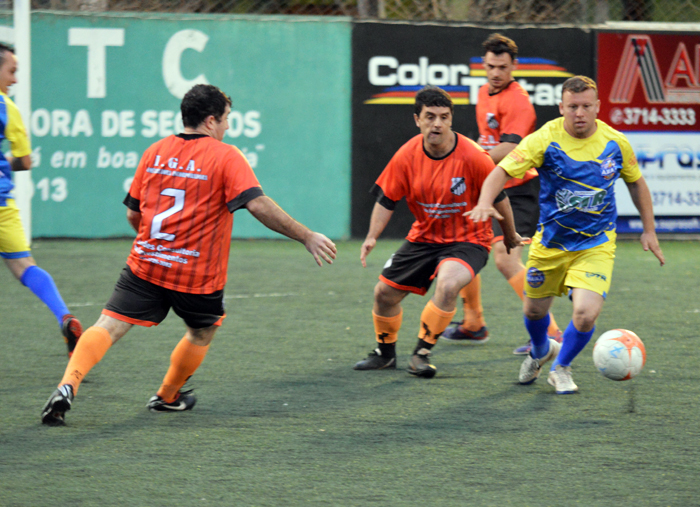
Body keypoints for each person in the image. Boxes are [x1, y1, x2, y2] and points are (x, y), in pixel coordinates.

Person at [41, 84, 337, 425]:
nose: (227, 127)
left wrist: (156, 245)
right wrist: (306, 236)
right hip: (197, 276)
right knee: (202, 330)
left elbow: (133, 214)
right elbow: (257, 204)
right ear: (211, 120)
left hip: (146, 264)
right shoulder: (226, 156)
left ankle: (68, 384)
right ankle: (167, 395)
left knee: (108, 325)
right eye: (226, 120)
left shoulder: (154, 151)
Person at [467, 75, 665, 394]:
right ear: (562, 107)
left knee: (585, 314)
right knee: (534, 312)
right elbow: (501, 170)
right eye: (572, 106)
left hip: (595, 244)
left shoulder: (615, 143)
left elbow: (636, 182)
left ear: (598, 107)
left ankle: (561, 367)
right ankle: (540, 350)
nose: (580, 113)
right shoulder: (545, 139)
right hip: (551, 244)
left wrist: (650, 230)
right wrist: (483, 202)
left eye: (586, 106)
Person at [354, 85, 521, 378]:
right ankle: (385, 354)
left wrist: (509, 235)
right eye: (430, 116)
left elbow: (500, 199)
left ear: (451, 119)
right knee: (384, 294)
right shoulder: (406, 155)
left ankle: (421, 353)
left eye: (444, 116)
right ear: (417, 119)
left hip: (469, 239)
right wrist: (371, 236)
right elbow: (387, 199)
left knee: (448, 284)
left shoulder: (473, 156)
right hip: (423, 237)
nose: (437, 124)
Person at [441, 33, 563, 355]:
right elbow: (488, 141)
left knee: (506, 261)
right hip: (490, 187)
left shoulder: (519, 100)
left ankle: (552, 332)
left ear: (514, 66)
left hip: (518, 189)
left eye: (503, 67)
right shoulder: (483, 92)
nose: (496, 73)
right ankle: (472, 324)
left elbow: (510, 149)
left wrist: (464, 159)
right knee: (462, 247)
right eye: (491, 66)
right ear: (484, 64)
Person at [0, 43, 82, 357]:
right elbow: (25, 161)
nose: (15, 79)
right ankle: (65, 316)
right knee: (24, 267)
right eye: (11, 72)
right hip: (2, 204)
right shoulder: (8, 109)